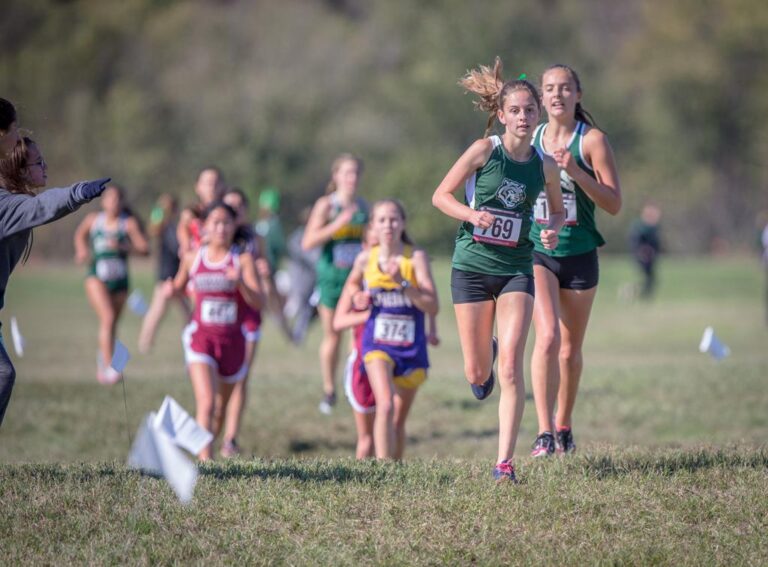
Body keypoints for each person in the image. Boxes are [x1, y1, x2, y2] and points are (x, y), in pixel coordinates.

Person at [431, 58, 563, 482]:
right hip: (470, 266)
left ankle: (504, 463)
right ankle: (483, 352)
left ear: (537, 114)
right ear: (502, 115)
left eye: (530, 110)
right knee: (479, 374)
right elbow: (440, 196)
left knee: (511, 367)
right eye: (516, 111)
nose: (523, 117)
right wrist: (471, 215)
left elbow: (557, 213)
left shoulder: (545, 165)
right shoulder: (483, 150)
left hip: (516, 269)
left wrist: (551, 231)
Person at [528, 64, 622, 458]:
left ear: (578, 94)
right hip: (536, 250)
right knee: (546, 337)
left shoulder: (592, 141)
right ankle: (544, 431)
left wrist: (575, 172)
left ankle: (564, 424)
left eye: (565, 88)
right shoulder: (528, 137)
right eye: (549, 88)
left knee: (569, 349)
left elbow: (614, 204)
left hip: (580, 253)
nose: (557, 95)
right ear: (541, 96)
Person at [0, 133, 110, 426]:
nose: (46, 167)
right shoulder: (8, 206)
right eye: (39, 162)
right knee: (3, 374)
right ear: (21, 170)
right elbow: (41, 207)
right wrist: (79, 192)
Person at [333, 200, 439, 460]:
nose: (388, 225)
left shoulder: (415, 258)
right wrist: (357, 296)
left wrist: (402, 283)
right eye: (381, 220)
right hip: (376, 343)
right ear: (372, 226)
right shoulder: (364, 259)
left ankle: (396, 469)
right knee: (386, 404)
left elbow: (433, 305)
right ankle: (383, 470)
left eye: (393, 219)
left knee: (398, 422)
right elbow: (351, 288)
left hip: (411, 346)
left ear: (402, 223)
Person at [165, 201, 263, 461]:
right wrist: (171, 292)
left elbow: (259, 302)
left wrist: (240, 281)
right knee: (206, 402)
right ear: (205, 227)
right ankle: (205, 465)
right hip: (201, 340)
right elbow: (178, 286)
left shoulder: (242, 260)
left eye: (226, 222)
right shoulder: (192, 257)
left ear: (234, 226)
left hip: (232, 343)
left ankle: (206, 448)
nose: (221, 228)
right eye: (215, 222)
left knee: (220, 410)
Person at [301, 154, 368, 415]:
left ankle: (354, 384)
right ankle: (329, 390)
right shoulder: (326, 206)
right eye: (347, 173)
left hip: (356, 283)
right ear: (336, 176)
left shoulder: (364, 206)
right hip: (330, 280)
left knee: (357, 337)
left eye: (355, 173)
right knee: (333, 336)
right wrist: (337, 224)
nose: (352, 178)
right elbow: (308, 242)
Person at [74, 184, 149, 384]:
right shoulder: (93, 221)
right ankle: (109, 368)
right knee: (107, 318)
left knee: (113, 322)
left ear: (122, 202)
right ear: (103, 201)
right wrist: (82, 251)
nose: (113, 203)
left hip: (120, 280)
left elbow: (144, 249)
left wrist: (125, 247)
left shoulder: (128, 223)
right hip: (96, 276)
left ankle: (103, 359)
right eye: (110, 198)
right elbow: (80, 235)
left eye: (117, 199)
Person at [217, 188, 272, 457]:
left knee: (241, 376)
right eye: (230, 206)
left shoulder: (254, 238)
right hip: (222, 314)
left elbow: (264, 265)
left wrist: (263, 269)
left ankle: (230, 439)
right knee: (218, 378)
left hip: (249, 311)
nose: (235, 211)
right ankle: (211, 427)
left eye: (240, 207)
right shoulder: (214, 239)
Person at [138, 194, 192, 353]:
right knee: (158, 312)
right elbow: (177, 249)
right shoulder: (169, 228)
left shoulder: (165, 227)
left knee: (177, 312)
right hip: (169, 277)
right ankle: (144, 343)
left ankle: (146, 342)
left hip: (171, 276)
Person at [177, 166, 226, 256]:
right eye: (208, 183)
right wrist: (185, 244)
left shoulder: (228, 214)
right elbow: (182, 229)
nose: (212, 187)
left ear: (223, 186)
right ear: (197, 187)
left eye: (216, 182)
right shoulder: (191, 213)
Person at [628, 201, 662, 300]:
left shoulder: (653, 227)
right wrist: (642, 252)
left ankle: (644, 296)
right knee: (643, 278)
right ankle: (631, 292)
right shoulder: (639, 226)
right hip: (641, 257)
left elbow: (656, 244)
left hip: (650, 258)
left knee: (650, 278)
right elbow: (635, 242)